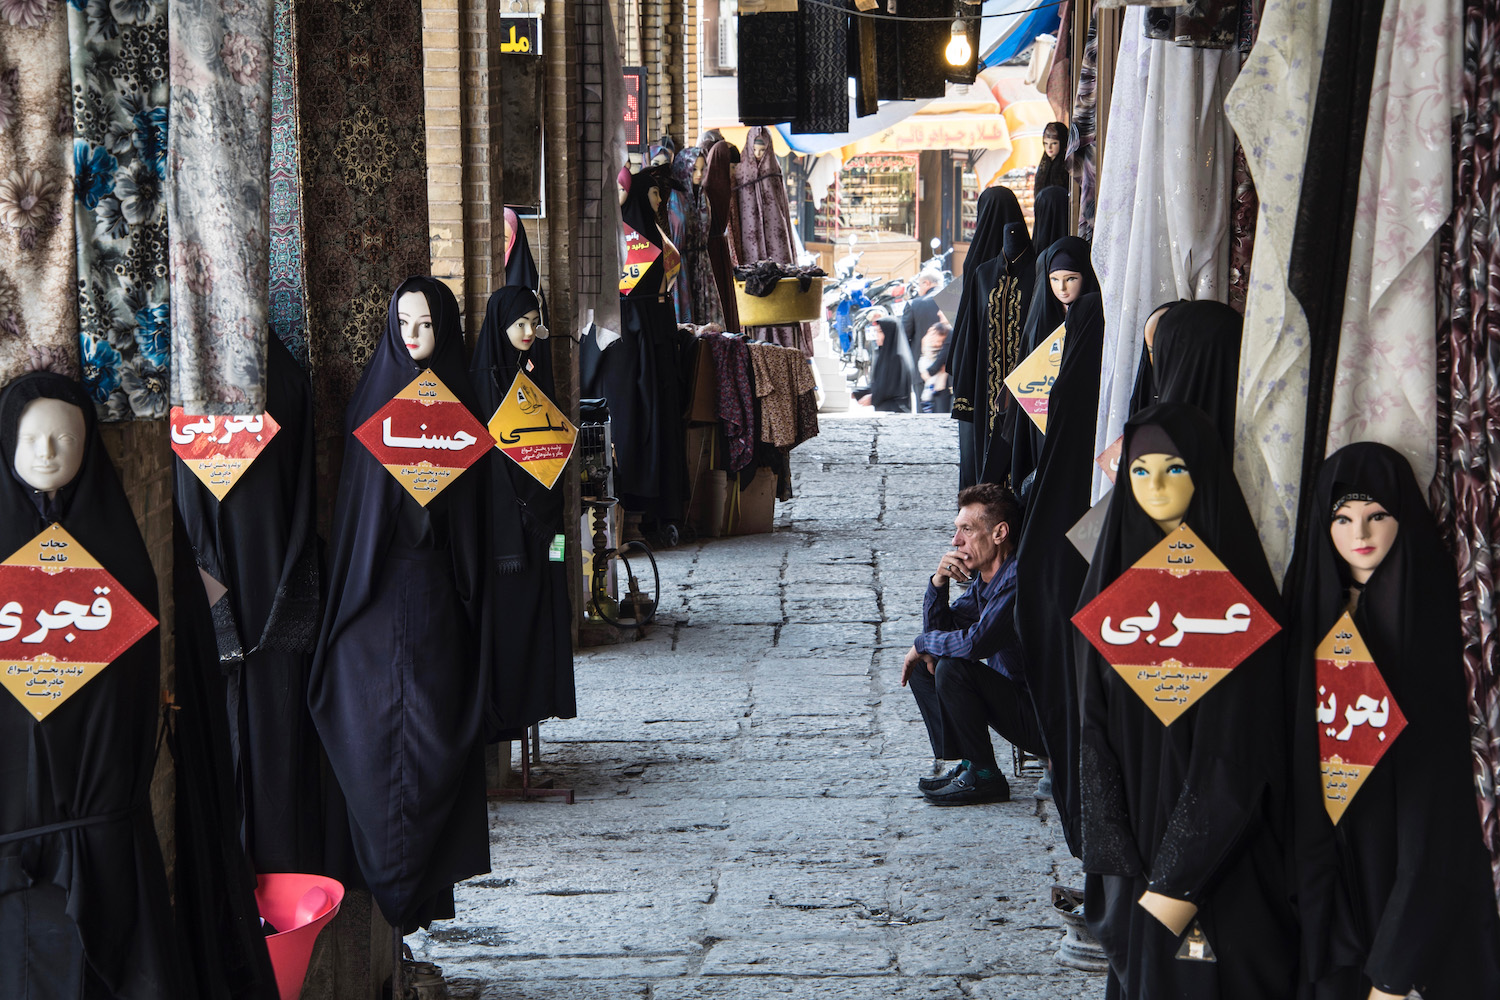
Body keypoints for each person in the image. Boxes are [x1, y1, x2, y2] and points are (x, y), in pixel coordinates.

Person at [1288, 443, 1500, 999]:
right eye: (1343, 517)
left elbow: (1439, 806)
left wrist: (1393, 970)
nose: (1361, 532)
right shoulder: (1308, 617)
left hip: (1405, 873)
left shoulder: (1428, 624)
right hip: (1327, 896)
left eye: (1377, 515)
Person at [901, 483, 1046, 805]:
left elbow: (977, 643)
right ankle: (969, 762)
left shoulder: (1018, 578)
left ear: (999, 533)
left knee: (951, 666)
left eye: (967, 530)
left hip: (1047, 721)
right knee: (930, 664)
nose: (956, 541)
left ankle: (984, 776)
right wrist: (938, 584)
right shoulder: (987, 578)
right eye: (957, 530)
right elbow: (943, 634)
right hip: (1018, 703)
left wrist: (924, 642)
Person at [862, 316, 917, 413]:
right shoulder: (885, 354)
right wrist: (858, 393)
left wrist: (872, 398)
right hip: (886, 411)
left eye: (880, 332)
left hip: (895, 414)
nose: (876, 336)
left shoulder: (898, 358)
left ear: (889, 333)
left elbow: (889, 388)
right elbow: (878, 383)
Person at [901, 268, 945, 359]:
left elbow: (903, 338)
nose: (918, 290)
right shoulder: (958, 301)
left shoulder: (914, 304)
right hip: (952, 366)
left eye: (919, 285)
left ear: (926, 283)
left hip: (921, 364)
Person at [918, 321, 952, 413]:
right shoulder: (931, 336)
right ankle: (927, 401)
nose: (937, 343)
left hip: (937, 373)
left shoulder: (945, 333)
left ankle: (927, 400)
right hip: (930, 366)